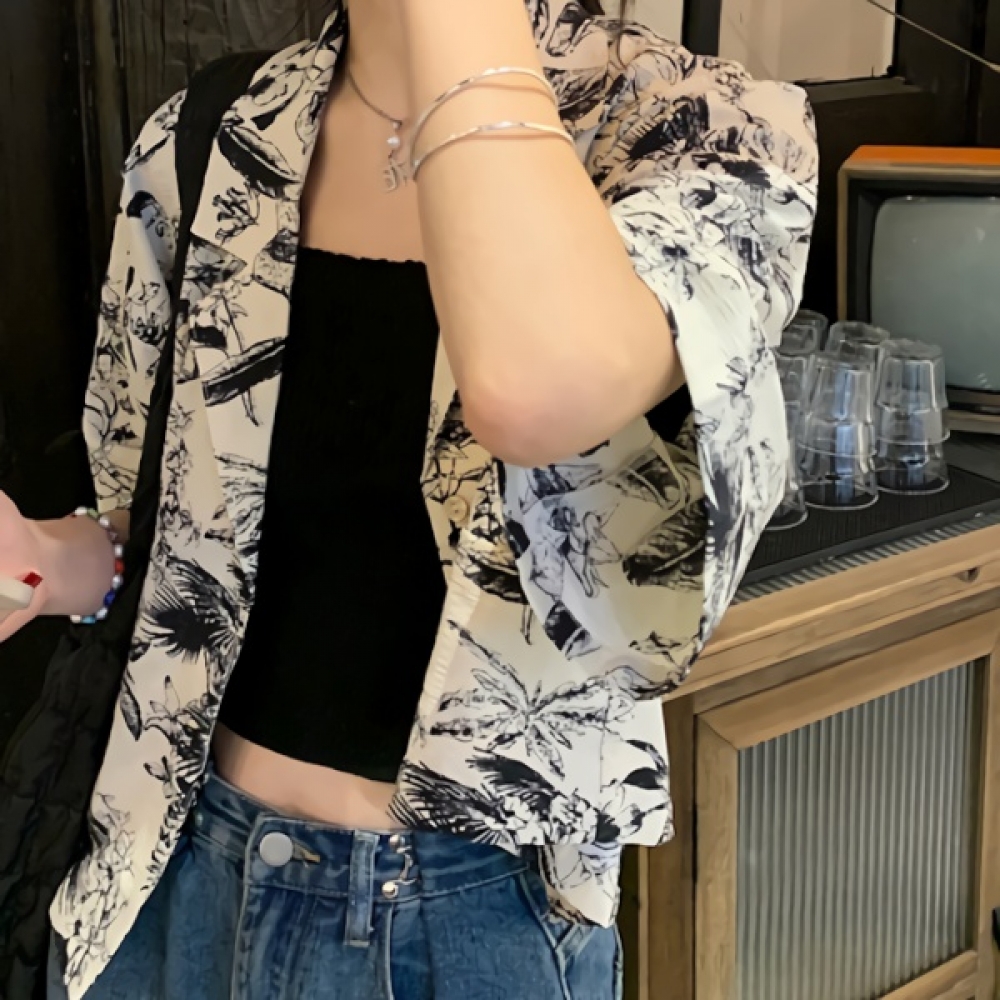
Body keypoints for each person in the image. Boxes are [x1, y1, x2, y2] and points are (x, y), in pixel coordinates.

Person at [0, 0, 818, 996]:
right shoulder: (211, 129)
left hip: (470, 917)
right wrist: (45, 564)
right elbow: (164, 534)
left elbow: (536, 391)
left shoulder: (699, 126)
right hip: (162, 879)